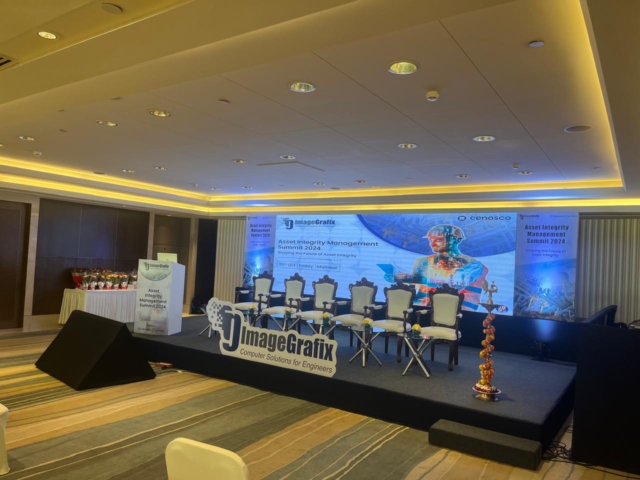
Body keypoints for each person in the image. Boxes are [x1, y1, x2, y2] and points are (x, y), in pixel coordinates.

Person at [392, 224, 488, 306]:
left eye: (438, 240)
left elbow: (453, 285)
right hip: (420, 311)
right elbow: (414, 288)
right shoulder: (422, 262)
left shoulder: (473, 264)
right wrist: (400, 279)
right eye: (430, 240)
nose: (432, 244)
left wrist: (412, 278)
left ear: (456, 240)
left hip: (457, 313)